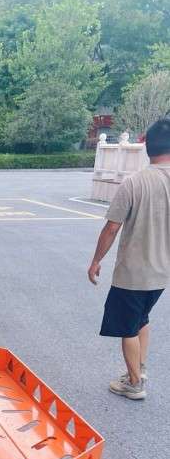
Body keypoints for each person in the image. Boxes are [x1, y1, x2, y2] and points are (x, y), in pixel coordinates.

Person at [88, 117, 170, 400]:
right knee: (141, 319)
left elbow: (112, 228)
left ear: (148, 147)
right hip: (162, 273)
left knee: (127, 328)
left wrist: (96, 261)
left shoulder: (135, 183)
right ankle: (139, 369)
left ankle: (134, 383)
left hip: (133, 274)